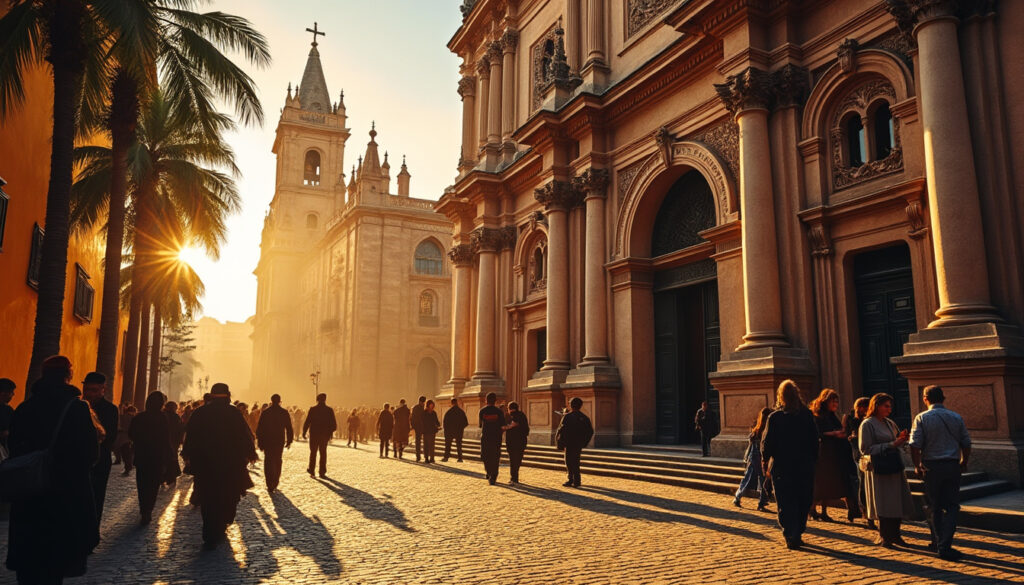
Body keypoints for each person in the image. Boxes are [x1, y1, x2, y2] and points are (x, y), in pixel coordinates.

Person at [5, 356, 99, 584]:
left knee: (29, 563)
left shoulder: (25, 408)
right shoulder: (77, 409)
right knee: (54, 563)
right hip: (63, 494)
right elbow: (90, 455)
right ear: (69, 375)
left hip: (29, 493)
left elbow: (13, 446)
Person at [181, 382, 257, 549]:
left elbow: (190, 436)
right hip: (229, 464)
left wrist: (187, 455)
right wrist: (250, 453)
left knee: (207, 497)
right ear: (228, 395)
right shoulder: (233, 413)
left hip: (205, 464)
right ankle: (222, 522)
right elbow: (245, 435)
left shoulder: (200, 413)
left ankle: (210, 530)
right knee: (228, 495)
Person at [910, 385, 972, 561]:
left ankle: (940, 544)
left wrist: (917, 465)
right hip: (952, 466)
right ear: (943, 398)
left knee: (935, 506)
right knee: (952, 506)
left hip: (932, 467)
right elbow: (966, 442)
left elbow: (915, 444)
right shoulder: (955, 417)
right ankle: (945, 544)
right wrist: (964, 461)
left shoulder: (922, 417)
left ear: (925, 398)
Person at [760, 379, 819, 550]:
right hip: (804, 465)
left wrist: (765, 460)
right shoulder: (807, 415)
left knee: (786, 501)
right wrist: (814, 459)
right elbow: (815, 440)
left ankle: (791, 533)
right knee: (803, 498)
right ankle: (798, 531)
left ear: (780, 396)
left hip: (782, 466)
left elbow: (767, 442)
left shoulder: (775, 417)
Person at [859, 392, 914, 548]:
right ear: (876, 406)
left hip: (894, 466)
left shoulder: (889, 423)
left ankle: (896, 535)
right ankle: (885, 536)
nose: (889, 409)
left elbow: (896, 440)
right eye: (886, 406)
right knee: (884, 502)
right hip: (880, 469)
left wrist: (903, 439)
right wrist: (891, 445)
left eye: (890, 406)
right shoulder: (867, 424)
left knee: (897, 501)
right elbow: (865, 449)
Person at [810, 388, 858, 522]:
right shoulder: (817, 416)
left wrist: (841, 433)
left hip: (835, 454)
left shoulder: (833, 416)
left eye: (837, 401)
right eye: (833, 401)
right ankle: (812, 509)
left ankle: (824, 511)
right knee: (821, 484)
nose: (836, 404)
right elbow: (817, 433)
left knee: (830, 485)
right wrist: (834, 433)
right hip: (823, 454)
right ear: (825, 401)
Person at [129, 391, 178, 524]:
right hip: (157, 457)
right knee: (153, 484)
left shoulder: (139, 417)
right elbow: (166, 438)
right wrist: (170, 456)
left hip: (142, 455)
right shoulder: (163, 418)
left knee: (142, 483)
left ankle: (143, 508)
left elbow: (131, 434)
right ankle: (148, 509)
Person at [81, 372, 118, 522]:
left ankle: (93, 529)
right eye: (87, 389)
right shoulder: (78, 406)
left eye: (94, 390)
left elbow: (111, 436)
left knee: (97, 496)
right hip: (80, 459)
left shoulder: (110, 409)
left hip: (100, 459)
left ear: (103, 389)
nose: (89, 394)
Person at [842, 397, 873, 528]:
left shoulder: (871, 419)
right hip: (855, 454)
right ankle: (862, 510)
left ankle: (867, 511)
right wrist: (850, 437)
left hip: (869, 454)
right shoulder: (850, 418)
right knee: (860, 483)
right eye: (864, 407)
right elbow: (846, 434)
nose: (866, 409)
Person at [733, 407, 771, 511]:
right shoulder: (762, 430)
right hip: (758, 457)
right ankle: (761, 502)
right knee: (761, 478)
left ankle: (738, 497)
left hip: (755, 457)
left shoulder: (757, 429)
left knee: (749, 478)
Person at [255, 394, 294, 493]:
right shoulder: (284, 412)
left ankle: (269, 483)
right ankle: (275, 480)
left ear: (271, 401)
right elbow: (289, 427)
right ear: (280, 401)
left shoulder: (266, 413)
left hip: (268, 440)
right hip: (279, 440)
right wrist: (289, 440)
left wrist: (260, 441)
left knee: (268, 461)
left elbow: (260, 428)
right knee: (278, 460)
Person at [555, 397, 593, 488]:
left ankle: (571, 479)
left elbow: (561, 430)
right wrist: (584, 442)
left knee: (569, 461)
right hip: (578, 443)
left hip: (569, 443)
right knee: (576, 461)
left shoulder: (567, 417)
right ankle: (577, 480)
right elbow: (590, 431)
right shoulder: (584, 417)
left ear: (571, 405)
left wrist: (559, 442)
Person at [302, 393, 337, 478]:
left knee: (313, 452)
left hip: (314, 434)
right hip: (324, 435)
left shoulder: (313, 409)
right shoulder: (329, 410)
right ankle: (322, 471)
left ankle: (311, 469)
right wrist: (329, 432)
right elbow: (334, 425)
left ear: (317, 399)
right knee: (323, 452)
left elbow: (307, 422)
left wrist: (304, 432)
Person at [479, 392, 505, 485]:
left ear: (486, 400)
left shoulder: (482, 411)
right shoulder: (499, 412)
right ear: (495, 401)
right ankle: (493, 476)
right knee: (495, 457)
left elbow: (480, 425)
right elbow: (503, 426)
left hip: (485, 437)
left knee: (486, 456)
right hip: (496, 438)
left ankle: (489, 472)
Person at [503, 401, 530, 485]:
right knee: (518, 460)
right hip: (521, 441)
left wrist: (506, 427)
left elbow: (510, 425)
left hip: (512, 442)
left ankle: (514, 478)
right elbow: (526, 429)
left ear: (510, 408)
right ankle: (515, 477)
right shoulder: (522, 415)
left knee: (513, 460)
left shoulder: (512, 416)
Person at [442, 397, 468, 462]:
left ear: (451, 403)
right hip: (459, 431)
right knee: (459, 445)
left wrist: (446, 431)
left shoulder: (449, 412)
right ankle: (460, 458)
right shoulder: (461, 412)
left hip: (450, 431)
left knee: (448, 445)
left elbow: (445, 423)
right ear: (457, 403)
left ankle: (446, 457)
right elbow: (465, 423)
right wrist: (460, 428)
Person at [117, 404, 136, 475]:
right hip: (130, 438)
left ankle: (128, 467)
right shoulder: (134, 417)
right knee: (129, 454)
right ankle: (128, 466)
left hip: (123, 438)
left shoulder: (122, 417)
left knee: (125, 454)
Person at [0, 378, 15, 452]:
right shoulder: (7, 410)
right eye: (11, 392)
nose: (13, 395)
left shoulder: (8, 409)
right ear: (3, 393)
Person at [411, 396, 426, 462]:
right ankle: (419, 455)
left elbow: (412, 418)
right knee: (419, 442)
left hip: (419, 427)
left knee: (419, 442)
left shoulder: (415, 408)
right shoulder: (422, 408)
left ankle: (419, 456)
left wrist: (413, 426)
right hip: (420, 427)